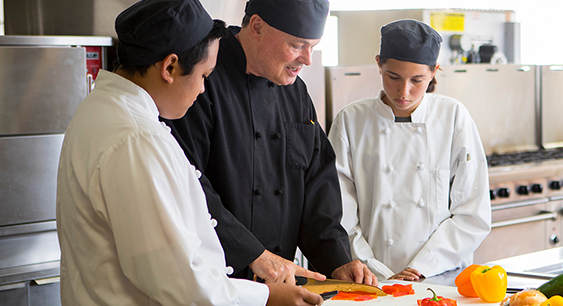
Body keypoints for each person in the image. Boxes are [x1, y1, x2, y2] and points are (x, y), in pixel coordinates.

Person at [56, 0, 322, 305]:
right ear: (169, 67)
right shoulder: (137, 140)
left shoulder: (100, 110)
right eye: (204, 76)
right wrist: (267, 296)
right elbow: (183, 284)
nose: (203, 91)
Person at [163, 0, 376, 285]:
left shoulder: (296, 92)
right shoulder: (203, 81)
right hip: (214, 280)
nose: (307, 59)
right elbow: (189, 183)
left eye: (313, 47)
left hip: (280, 284)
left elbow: (317, 186)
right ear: (258, 27)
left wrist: (337, 260)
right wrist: (254, 254)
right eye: (297, 45)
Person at [327, 19, 491, 281]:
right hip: (371, 277)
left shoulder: (453, 117)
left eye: (417, 80)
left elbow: (473, 213)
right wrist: (372, 267)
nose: (404, 92)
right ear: (379, 63)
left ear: (435, 71)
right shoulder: (351, 120)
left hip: (441, 273)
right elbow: (339, 209)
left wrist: (424, 266)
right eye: (393, 77)